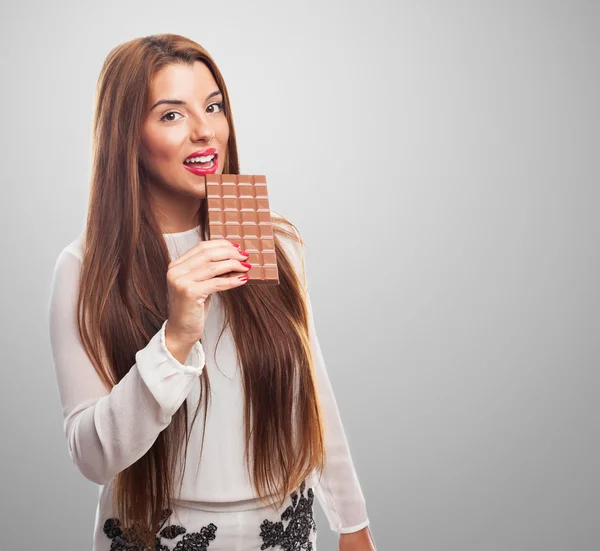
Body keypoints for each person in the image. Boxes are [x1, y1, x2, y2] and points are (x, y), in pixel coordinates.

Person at [48, 33, 375, 551]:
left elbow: (311, 392)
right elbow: (91, 457)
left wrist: (352, 521)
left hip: (285, 529)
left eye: (214, 106)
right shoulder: (86, 268)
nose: (205, 132)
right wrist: (175, 336)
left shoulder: (267, 240)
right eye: (172, 115)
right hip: (156, 533)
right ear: (127, 136)